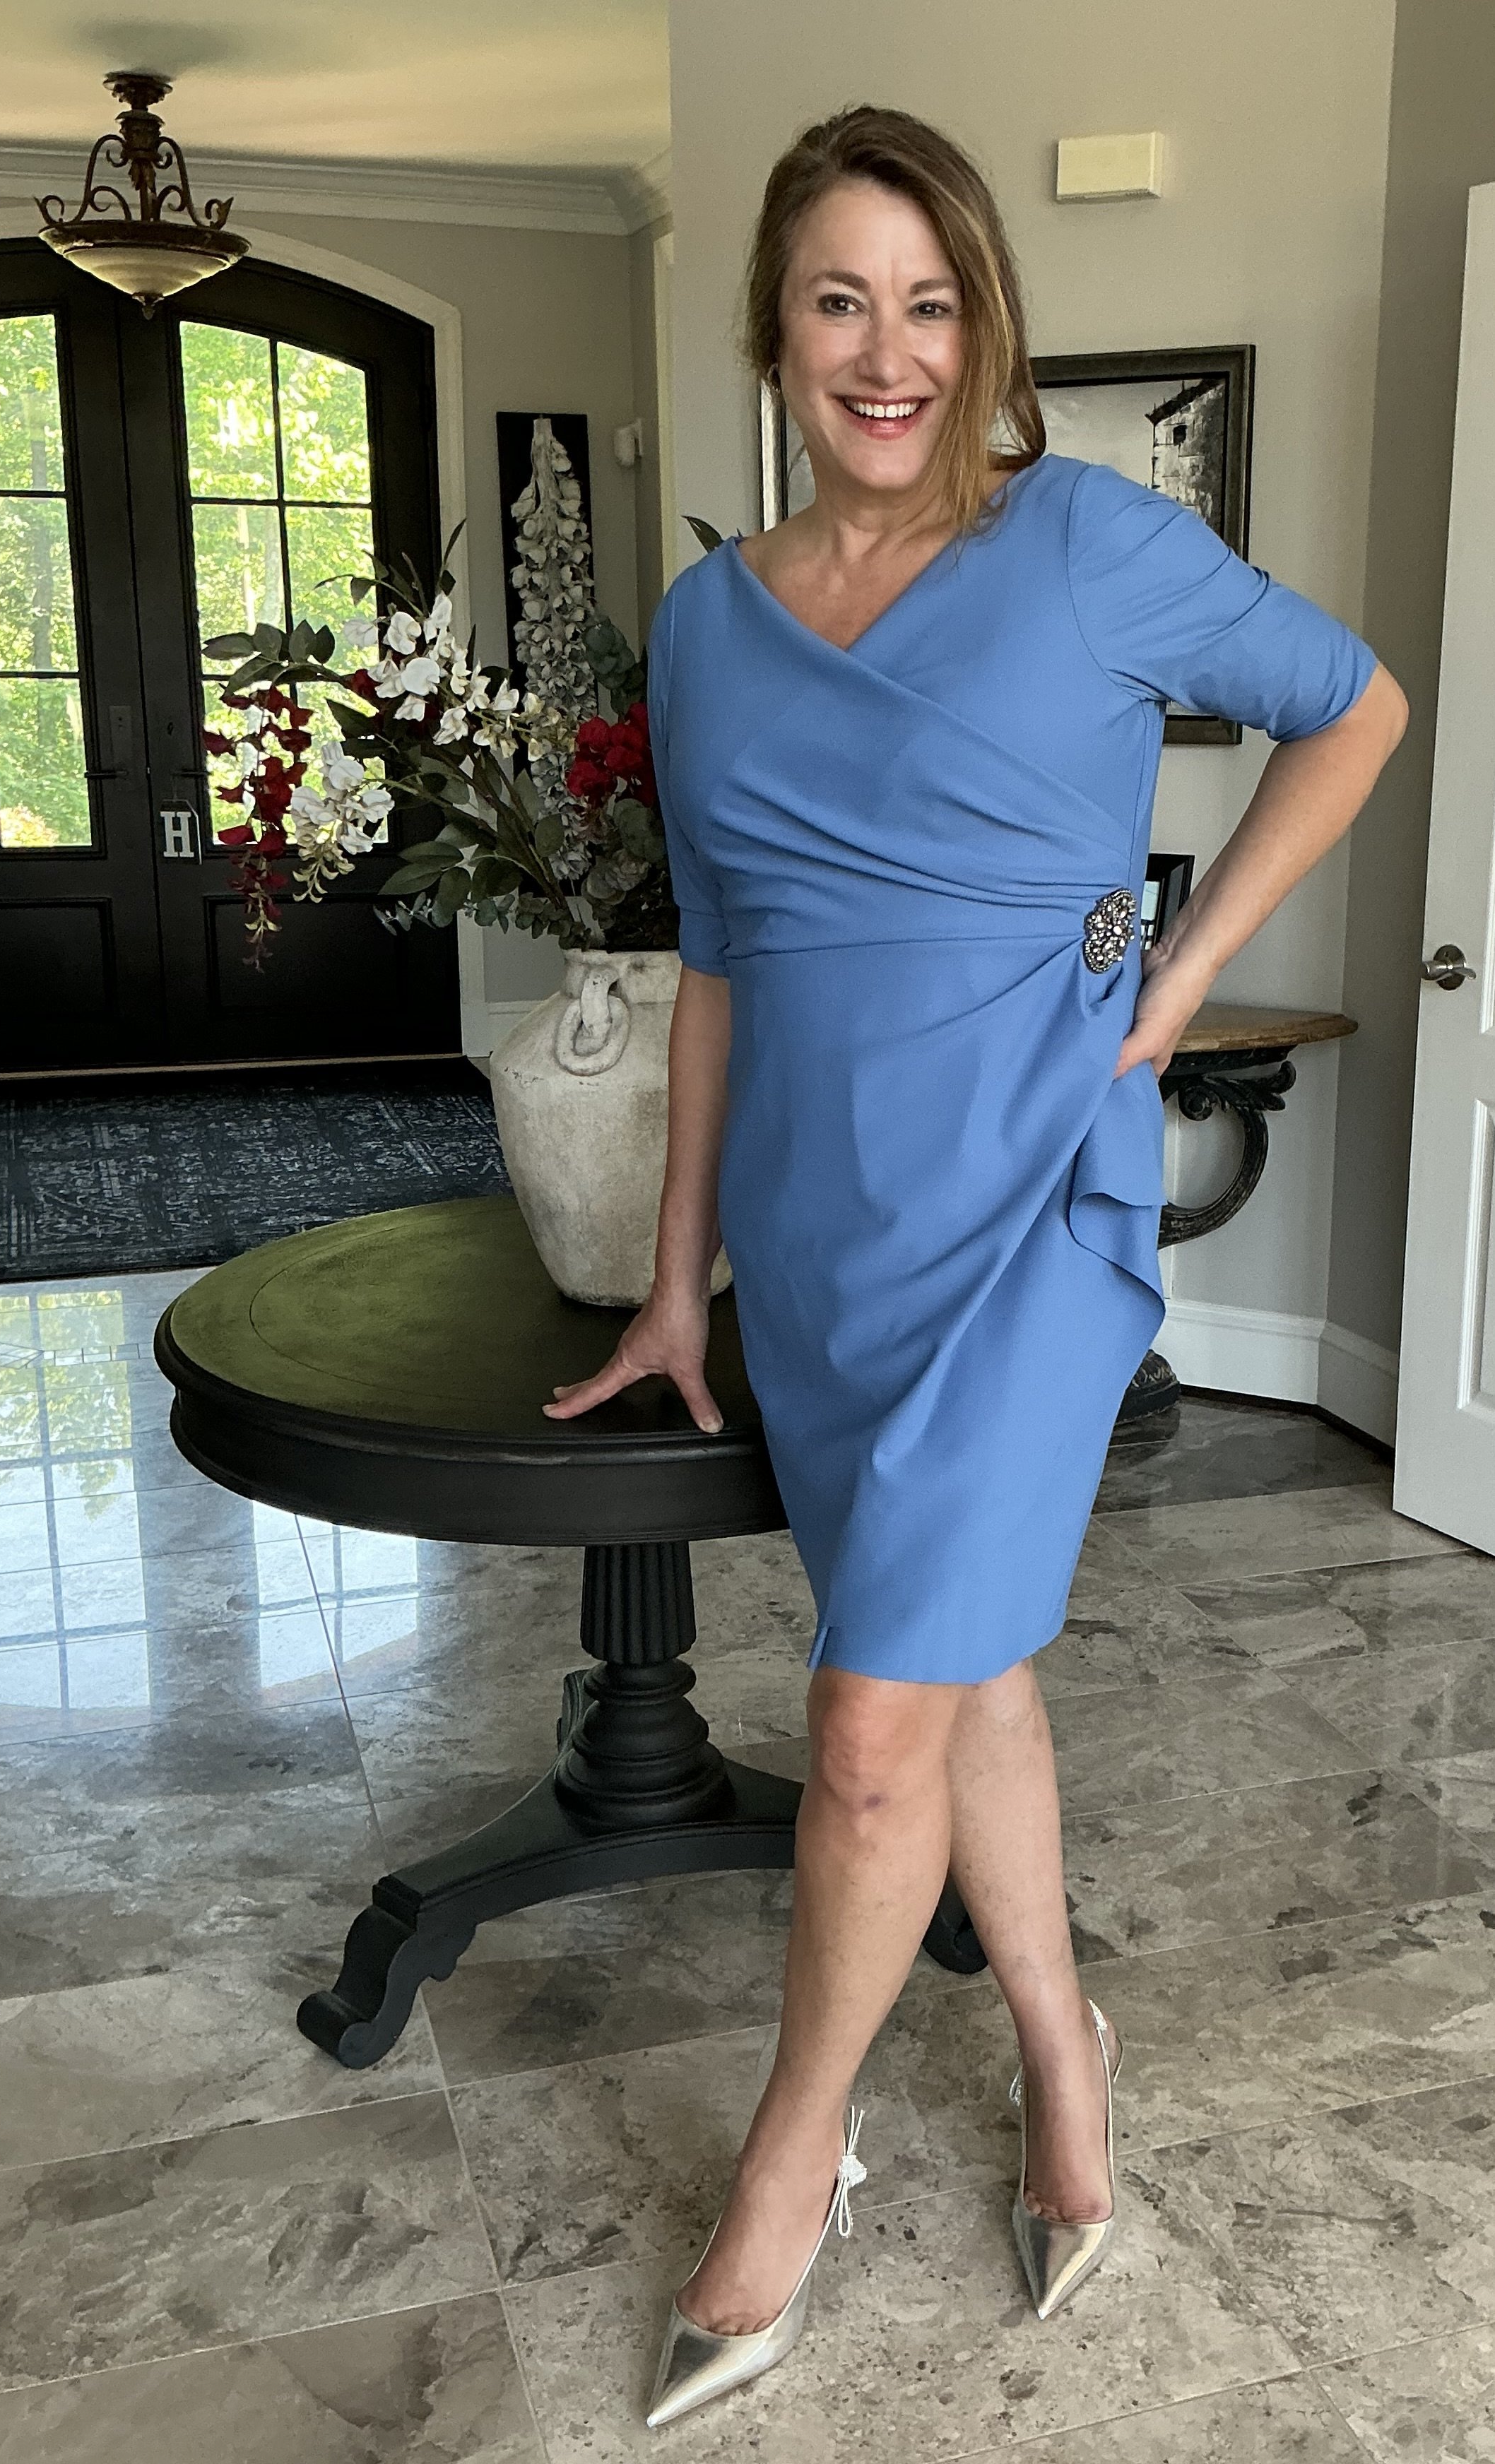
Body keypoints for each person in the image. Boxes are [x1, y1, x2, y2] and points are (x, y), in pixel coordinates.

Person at [544, 103, 1407, 2429]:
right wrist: (672, 1281)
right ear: (776, 330)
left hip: (1026, 1202)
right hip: (823, 1241)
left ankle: (785, 2161)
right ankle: (1059, 2043)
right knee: (963, 1684)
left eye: (929, 301)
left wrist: (1183, 967)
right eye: (840, 298)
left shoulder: (1095, 551)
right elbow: (718, 966)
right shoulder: (705, 630)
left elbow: (1357, 704)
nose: (887, 350)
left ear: (982, 324)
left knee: (858, 1725)